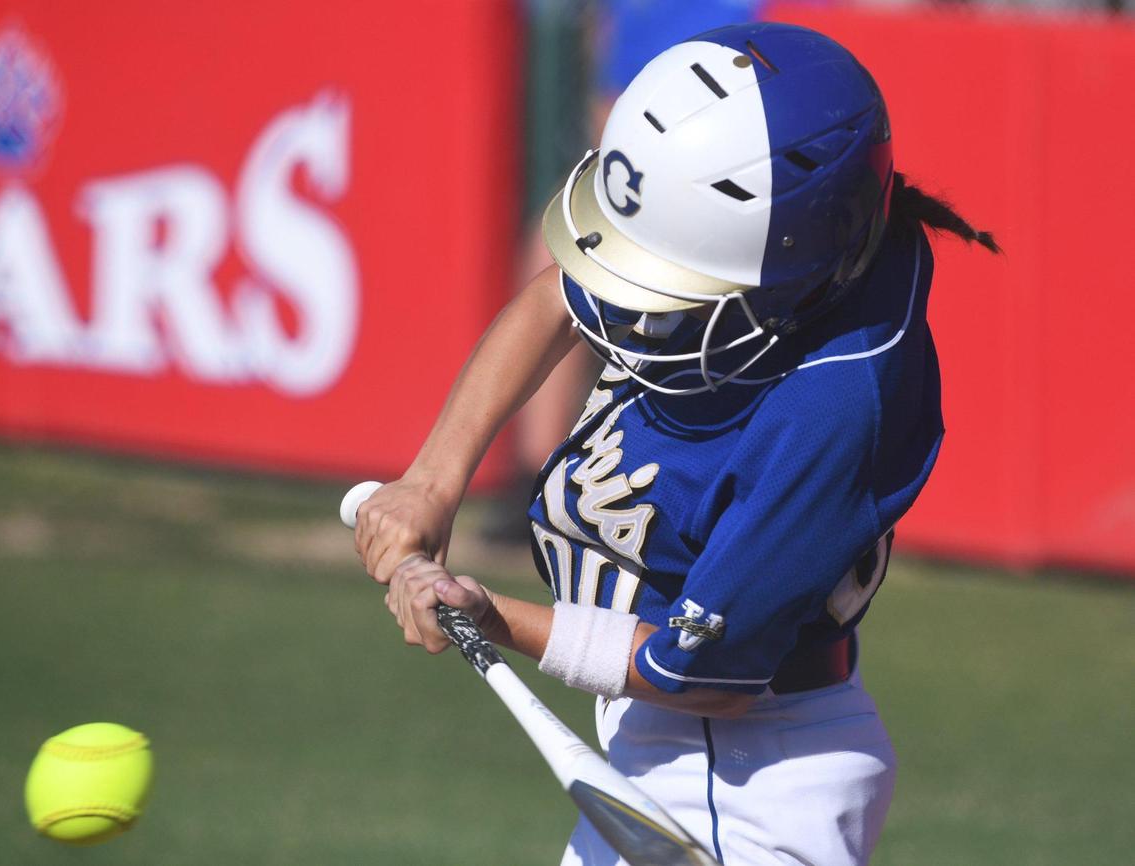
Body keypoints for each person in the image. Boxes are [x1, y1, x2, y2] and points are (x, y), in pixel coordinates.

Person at [353, 22, 999, 866]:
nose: (636, 309)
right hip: (682, 743)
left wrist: (489, 615)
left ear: (797, 264)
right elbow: (561, 294)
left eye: (676, 285)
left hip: (741, 775)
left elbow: (696, 672)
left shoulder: (835, 405)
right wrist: (432, 481)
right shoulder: (808, 263)